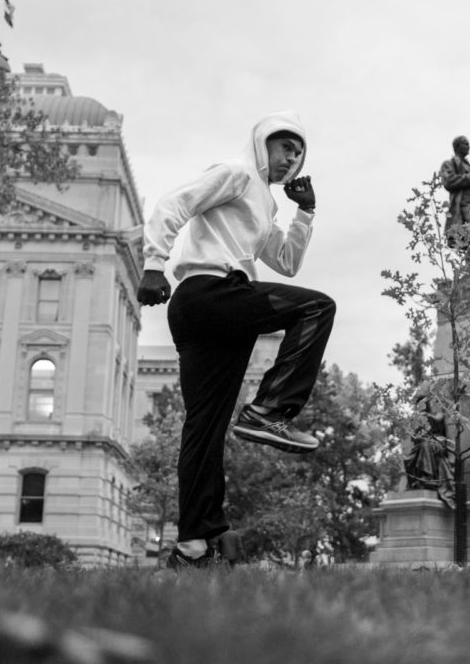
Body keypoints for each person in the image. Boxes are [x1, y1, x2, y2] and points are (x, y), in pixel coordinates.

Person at [138, 112, 335, 570]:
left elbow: (286, 263)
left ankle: (192, 544)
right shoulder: (235, 173)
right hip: (212, 293)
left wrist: (305, 213)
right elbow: (175, 203)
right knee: (317, 308)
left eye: (299, 152)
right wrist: (153, 263)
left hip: (216, 314)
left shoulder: (264, 205)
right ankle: (269, 411)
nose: (292, 157)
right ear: (262, 143)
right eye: (285, 147)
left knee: (204, 428)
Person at [402, 391, 455, 508]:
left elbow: (445, 434)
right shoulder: (416, 419)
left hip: (439, 443)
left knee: (426, 444)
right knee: (418, 449)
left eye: (426, 403)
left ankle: (427, 477)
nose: (424, 405)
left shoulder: (436, 416)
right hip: (422, 444)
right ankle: (424, 478)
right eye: (421, 404)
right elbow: (414, 437)